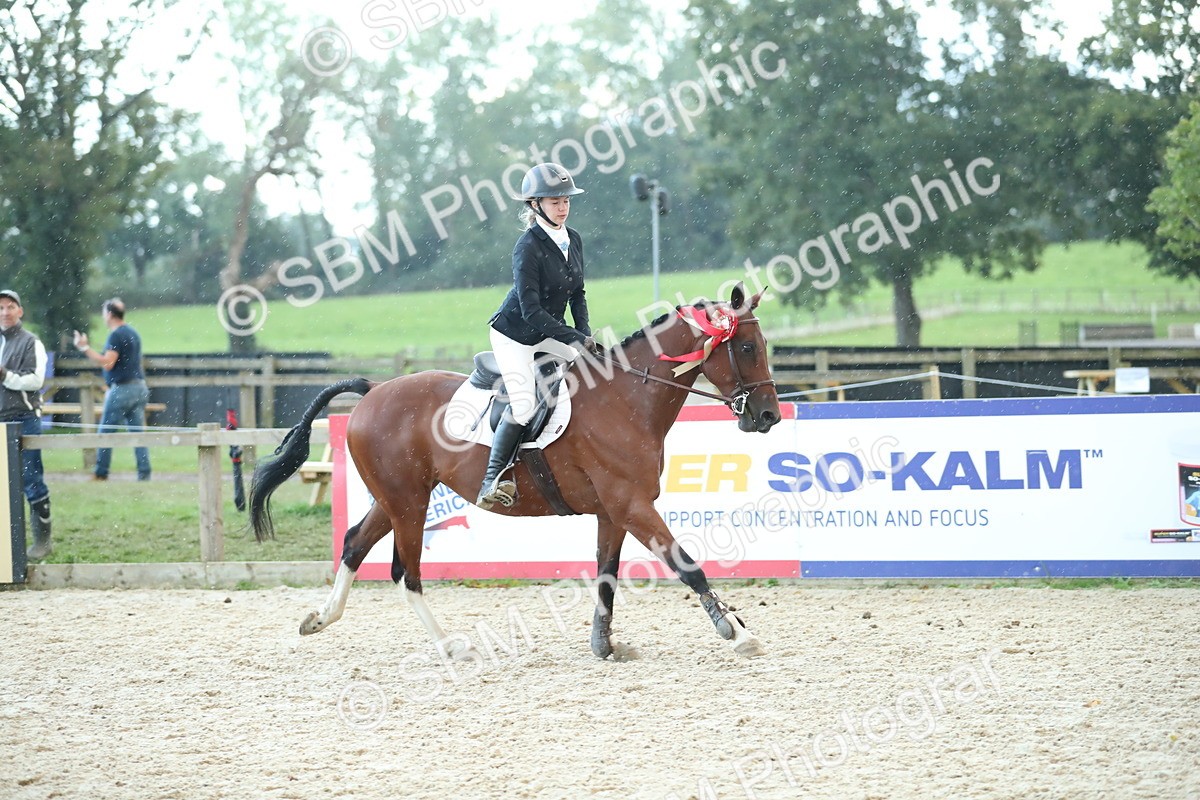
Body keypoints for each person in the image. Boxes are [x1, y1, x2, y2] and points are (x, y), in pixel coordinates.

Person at [477, 162, 599, 510]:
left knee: (596, 369)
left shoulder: (573, 239)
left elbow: (578, 294)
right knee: (525, 404)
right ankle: (491, 480)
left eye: (566, 201)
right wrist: (573, 338)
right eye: (555, 201)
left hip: (547, 331)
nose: (563, 207)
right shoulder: (527, 246)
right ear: (535, 205)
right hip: (515, 335)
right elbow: (530, 311)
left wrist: (585, 337)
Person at [0, 290, 53, 560]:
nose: (5, 312)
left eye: (10, 307)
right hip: (0, 420)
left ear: (20, 311)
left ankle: (43, 542)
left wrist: (5, 375)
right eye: (1, 308)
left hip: (24, 418)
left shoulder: (32, 342)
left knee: (31, 480)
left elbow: (35, 381)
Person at [73, 298, 151, 481]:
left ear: (109, 314)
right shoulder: (133, 333)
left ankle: (101, 472)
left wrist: (84, 347)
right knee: (138, 435)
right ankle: (144, 473)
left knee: (106, 432)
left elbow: (108, 363)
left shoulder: (115, 335)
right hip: (139, 387)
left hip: (122, 390)